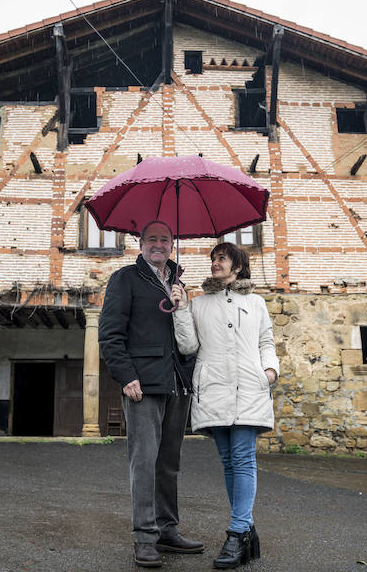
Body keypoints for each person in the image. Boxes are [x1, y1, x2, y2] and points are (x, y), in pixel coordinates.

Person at [98, 220, 203, 568]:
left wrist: (181, 303)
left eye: (165, 239)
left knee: (169, 463)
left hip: (177, 382)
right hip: (142, 385)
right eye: (152, 239)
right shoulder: (125, 279)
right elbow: (110, 334)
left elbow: (186, 339)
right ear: (140, 244)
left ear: (172, 246)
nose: (159, 244)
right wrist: (126, 376)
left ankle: (167, 530)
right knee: (143, 462)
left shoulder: (178, 284)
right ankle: (145, 537)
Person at [170, 242, 279, 569]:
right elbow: (188, 345)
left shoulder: (257, 302)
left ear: (238, 266)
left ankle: (236, 532)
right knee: (229, 461)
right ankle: (247, 529)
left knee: (243, 456)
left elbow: (266, 342)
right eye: (213, 258)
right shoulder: (199, 304)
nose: (215, 263)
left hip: (250, 385)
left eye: (222, 258)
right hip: (214, 386)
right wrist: (180, 308)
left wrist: (270, 371)